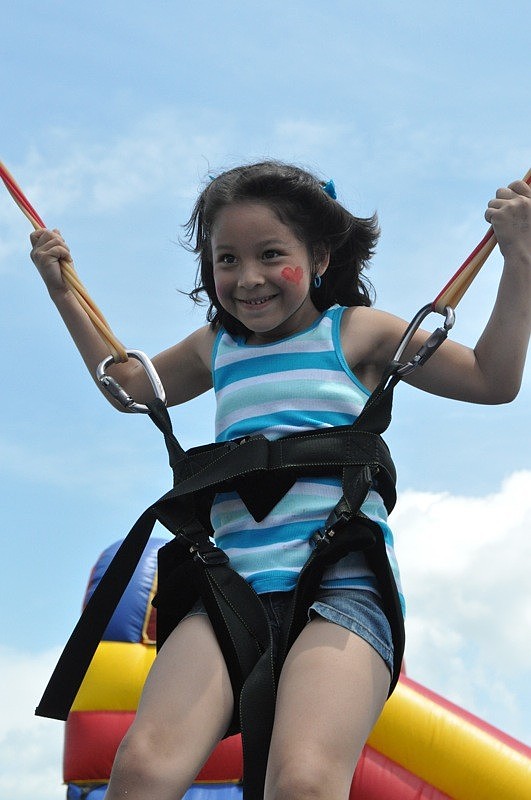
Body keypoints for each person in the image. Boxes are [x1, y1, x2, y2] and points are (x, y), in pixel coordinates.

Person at [30, 162, 530, 800]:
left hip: (341, 589)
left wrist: (519, 256)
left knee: (302, 782)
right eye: (227, 259)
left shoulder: (357, 333)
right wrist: (63, 290)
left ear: (319, 256)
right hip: (228, 590)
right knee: (142, 771)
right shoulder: (216, 346)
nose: (249, 278)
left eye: (272, 255)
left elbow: (494, 379)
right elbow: (129, 390)